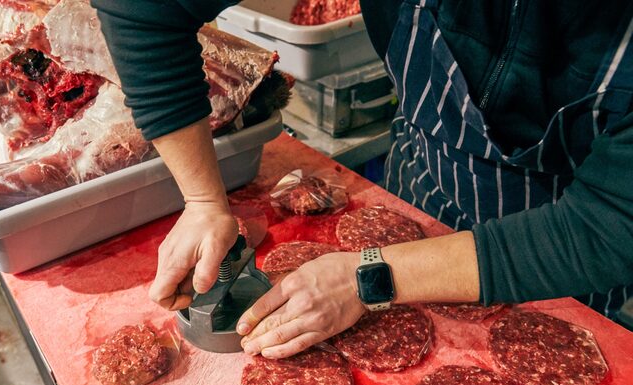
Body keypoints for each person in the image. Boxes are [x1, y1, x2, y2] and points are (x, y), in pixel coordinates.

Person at [93, 0, 633, 359]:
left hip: (563, 265)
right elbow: (144, 9)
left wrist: (368, 277)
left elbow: (613, 225)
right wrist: (203, 201)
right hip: (422, 187)